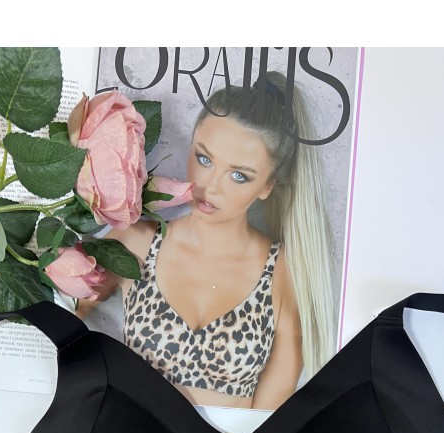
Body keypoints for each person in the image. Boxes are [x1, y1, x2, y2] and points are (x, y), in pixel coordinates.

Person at [77, 70, 336, 411]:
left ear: (267, 187)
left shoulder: (283, 271)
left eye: (239, 175)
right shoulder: (135, 241)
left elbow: (267, 420)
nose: (211, 186)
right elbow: (61, 324)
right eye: (204, 159)